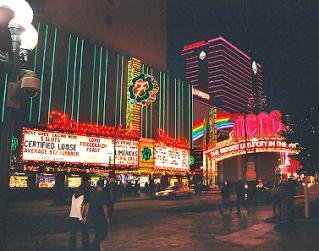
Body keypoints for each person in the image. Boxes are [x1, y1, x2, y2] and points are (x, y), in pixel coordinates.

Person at [89, 179, 110, 251]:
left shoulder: (92, 193)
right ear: (103, 186)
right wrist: (107, 217)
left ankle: (96, 248)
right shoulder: (103, 194)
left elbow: (88, 205)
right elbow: (104, 207)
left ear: (97, 185)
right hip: (100, 216)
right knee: (103, 233)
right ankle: (93, 246)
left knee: (97, 232)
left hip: (93, 215)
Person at [68, 183, 90, 251]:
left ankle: (72, 248)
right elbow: (78, 207)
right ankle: (86, 246)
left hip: (72, 216)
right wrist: (81, 218)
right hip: (78, 217)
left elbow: (73, 206)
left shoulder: (74, 195)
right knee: (85, 233)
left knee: (72, 234)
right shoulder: (82, 196)